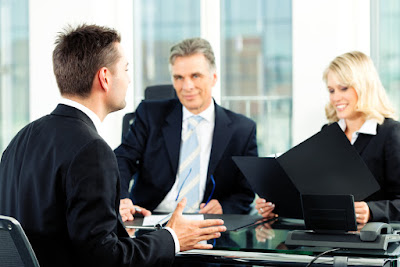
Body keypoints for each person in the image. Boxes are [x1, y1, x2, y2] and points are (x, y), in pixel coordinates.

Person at [0, 24, 226, 267]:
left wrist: (113, 222)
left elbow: (57, 226)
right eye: (126, 69)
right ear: (105, 78)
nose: (129, 79)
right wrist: (173, 238)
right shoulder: (92, 150)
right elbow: (106, 259)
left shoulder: (21, 138)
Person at [114, 37, 258, 215]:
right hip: (151, 220)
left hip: (208, 225)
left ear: (213, 78)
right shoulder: (150, 114)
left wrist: (225, 207)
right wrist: (121, 198)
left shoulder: (242, 130)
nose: (187, 86)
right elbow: (122, 159)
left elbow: (245, 193)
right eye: (179, 77)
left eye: (195, 76)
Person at [256, 51, 400, 224]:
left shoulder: (389, 133)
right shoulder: (329, 132)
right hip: (327, 237)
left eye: (343, 88)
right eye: (331, 90)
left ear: (364, 86)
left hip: (370, 243)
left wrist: (371, 211)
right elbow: (314, 194)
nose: (335, 98)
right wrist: (277, 207)